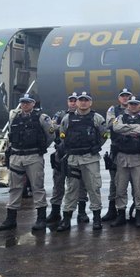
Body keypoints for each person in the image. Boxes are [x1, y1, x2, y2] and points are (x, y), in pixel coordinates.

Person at [0, 94, 54, 232]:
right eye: (23, 102)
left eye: (28, 102)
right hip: (16, 156)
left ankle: (40, 219)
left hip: (33, 156)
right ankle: (11, 219)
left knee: (37, 187)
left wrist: (41, 147)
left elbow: (51, 135)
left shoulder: (41, 118)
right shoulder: (14, 117)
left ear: (33, 104)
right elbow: (11, 135)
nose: (25, 105)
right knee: (14, 188)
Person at [56, 91, 107, 231]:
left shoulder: (97, 118)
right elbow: (62, 136)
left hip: (90, 158)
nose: (83, 102)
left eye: (86, 100)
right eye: (81, 100)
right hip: (73, 159)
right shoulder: (68, 118)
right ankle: (66, 219)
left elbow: (103, 135)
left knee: (94, 188)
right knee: (71, 189)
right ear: (76, 102)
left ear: (90, 102)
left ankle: (97, 219)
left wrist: (95, 147)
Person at [109, 95, 140, 227]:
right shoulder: (120, 117)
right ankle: (121, 215)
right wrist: (135, 130)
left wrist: (127, 130)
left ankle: (139, 215)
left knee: (139, 189)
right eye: (131, 103)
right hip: (122, 158)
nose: (133, 106)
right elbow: (116, 128)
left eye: (136, 104)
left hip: (138, 159)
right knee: (120, 189)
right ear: (127, 105)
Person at [47, 93, 89, 227]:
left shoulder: (85, 116)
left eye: (75, 101)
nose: (73, 103)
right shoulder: (60, 115)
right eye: (71, 100)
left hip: (77, 154)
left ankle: (82, 212)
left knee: (81, 183)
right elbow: (51, 128)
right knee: (58, 182)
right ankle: (55, 211)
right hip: (61, 153)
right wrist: (65, 126)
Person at [102, 88, 132, 222]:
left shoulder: (137, 108)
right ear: (119, 98)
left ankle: (139, 211)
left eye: (127, 96)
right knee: (114, 182)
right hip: (117, 150)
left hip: (133, 150)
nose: (125, 98)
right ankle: (112, 210)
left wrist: (120, 125)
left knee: (136, 183)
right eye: (123, 96)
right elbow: (110, 124)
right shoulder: (112, 109)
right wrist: (130, 126)